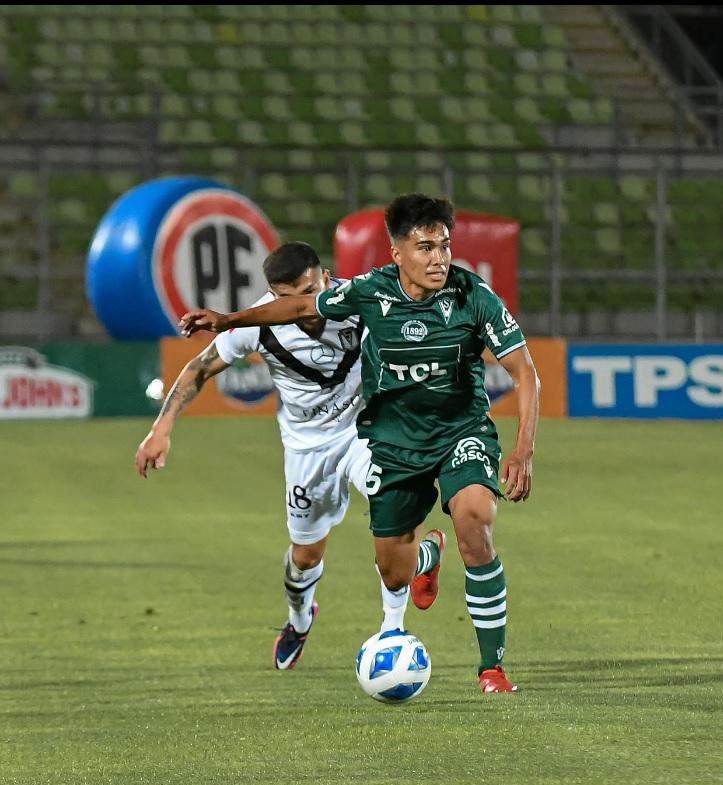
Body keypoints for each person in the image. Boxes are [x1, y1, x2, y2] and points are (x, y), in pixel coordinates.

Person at [180, 195, 540, 694]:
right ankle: (423, 561)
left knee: (475, 524)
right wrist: (227, 321)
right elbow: (302, 305)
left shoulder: (473, 295)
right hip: (392, 441)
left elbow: (523, 370)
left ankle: (491, 669)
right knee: (393, 570)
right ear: (398, 254)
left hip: (462, 431)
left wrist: (522, 449)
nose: (440, 259)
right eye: (426, 248)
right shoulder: (371, 292)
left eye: (445, 247)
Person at [135, 241, 444, 672]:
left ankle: (393, 631)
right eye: (287, 298)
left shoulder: (359, 299)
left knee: (392, 520)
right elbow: (199, 368)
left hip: (365, 432)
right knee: (305, 557)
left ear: (327, 278)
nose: (302, 305)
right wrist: (160, 429)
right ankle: (301, 621)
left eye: (309, 291)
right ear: (273, 295)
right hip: (307, 447)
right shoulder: (258, 323)